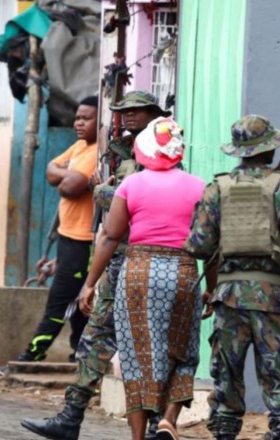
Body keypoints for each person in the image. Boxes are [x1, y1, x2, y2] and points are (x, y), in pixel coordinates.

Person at [21, 91, 172, 440]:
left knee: (147, 345)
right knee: (94, 339)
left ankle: (154, 425)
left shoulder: (163, 148)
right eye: (125, 110)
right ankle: (70, 417)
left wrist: (104, 191)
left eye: (138, 111)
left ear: (154, 113)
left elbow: (129, 196)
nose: (130, 116)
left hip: (145, 257)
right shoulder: (121, 149)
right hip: (118, 256)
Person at [184, 115, 280, 440]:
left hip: (228, 297)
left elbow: (199, 246)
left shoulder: (217, 188)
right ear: (270, 148)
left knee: (226, 376)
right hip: (273, 296)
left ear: (238, 152)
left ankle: (225, 431)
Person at [75, 118, 205, 440]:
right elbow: (209, 244)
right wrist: (211, 289)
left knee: (137, 355)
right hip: (184, 271)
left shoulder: (131, 185)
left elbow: (109, 237)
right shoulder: (200, 187)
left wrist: (90, 283)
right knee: (183, 351)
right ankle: (168, 421)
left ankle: (137, 437)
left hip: (139, 272)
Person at [0, 95, 99, 378]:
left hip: (85, 241)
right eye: (78, 117)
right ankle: (79, 356)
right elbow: (51, 171)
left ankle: (31, 356)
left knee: (61, 300)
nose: (79, 122)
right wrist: (67, 175)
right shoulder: (80, 146)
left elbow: (69, 187)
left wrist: (65, 176)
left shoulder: (96, 154)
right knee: (78, 305)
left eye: (86, 118)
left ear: (99, 121)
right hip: (68, 238)